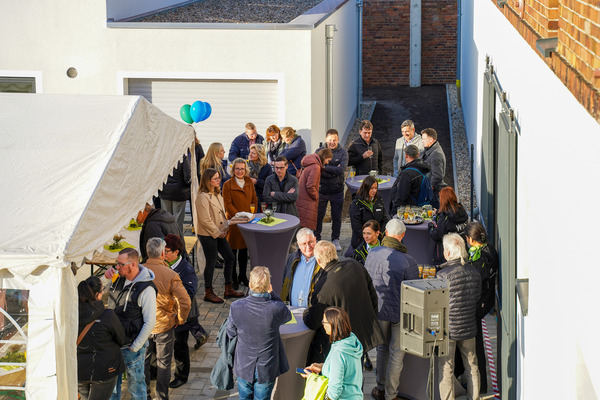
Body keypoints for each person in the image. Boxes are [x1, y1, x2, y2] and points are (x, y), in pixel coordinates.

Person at [363, 219, 419, 400]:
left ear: (385, 233)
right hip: (400, 313)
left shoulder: (372, 253)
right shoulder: (408, 260)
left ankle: (379, 387)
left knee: (382, 349)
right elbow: (415, 289)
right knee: (397, 353)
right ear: (402, 236)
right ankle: (391, 394)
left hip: (378, 310)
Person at [303, 241, 383, 364]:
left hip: (340, 344)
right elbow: (373, 297)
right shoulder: (355, 265)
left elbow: (313, 322)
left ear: (318, 261)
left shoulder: (322, 288)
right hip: (361, 337)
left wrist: (305, 314)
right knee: (356, 374)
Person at [226, 267, 292, 400]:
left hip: (244, 366)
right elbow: (288, 316)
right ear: (269, 286)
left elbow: (231, 332)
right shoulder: (276, 308)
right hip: (266, 368)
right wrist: (272, 293)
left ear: (250, 285)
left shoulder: (236, 306)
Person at [143, 238, 191, 400]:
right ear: (163, 253)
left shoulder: (139, 271)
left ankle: (145, 395)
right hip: (164, 325)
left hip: (143, 325)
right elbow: (185, 301)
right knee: (164, 364)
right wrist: (180, 318)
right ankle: (162, 396)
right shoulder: (171, 274)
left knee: (144, 362)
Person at [106, 248, 157, 400]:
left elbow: (150, 321)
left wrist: (135, 346)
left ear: (133, 264)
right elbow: (102, 296)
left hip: (131, 346)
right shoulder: (118, 278)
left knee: (136, 387)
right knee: (112, 388)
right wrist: (106, 277)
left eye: (120, 264)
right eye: (116, 263)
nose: (117, 267)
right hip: (113, 344)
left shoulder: (146, 289)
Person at [436, 233, 482, 400]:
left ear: (448, 253)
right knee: (472, 365)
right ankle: (474, 397)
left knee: (446, 368)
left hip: (449, 330)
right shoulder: (474, 271)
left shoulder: (443, 275)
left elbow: (438, 305)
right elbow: (477, 298)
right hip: (469, 327)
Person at [455, 222, 498, 394]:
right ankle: (466, 376)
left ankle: (479, 385)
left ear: (471, 240)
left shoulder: (480, 261)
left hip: (478, 304)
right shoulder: (489, 250)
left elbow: (474, 281)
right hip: (484, 301)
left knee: (476, 345)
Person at [162, 234, 207, 389]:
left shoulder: (186, 270)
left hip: (180, 316)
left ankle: (181, 376)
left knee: (179, 346)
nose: (164, 253)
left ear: (176, 252)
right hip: (164, 315)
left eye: (167, 251)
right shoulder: (163, 264)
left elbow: (189, 293)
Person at [195, 168, 244, 303]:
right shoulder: (202, 197)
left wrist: (227, 226)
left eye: (219, 178)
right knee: (211, 262)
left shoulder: (217, 194)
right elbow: (205, 220)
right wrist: (218, 233)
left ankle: (228, 289)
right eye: (215, 178)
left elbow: (221, 216)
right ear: (207, 180)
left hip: (220, 232)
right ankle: (208, 292)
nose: (218, 180)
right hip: (208, 234)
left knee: (230, 257)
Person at [77, 276, 126, 400]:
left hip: (79, 370)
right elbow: (121, 339)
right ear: (98, 295)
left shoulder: (70, 315)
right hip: (104, 370)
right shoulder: (107, 315)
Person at [302, 307, 363, 400]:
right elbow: (345, 369)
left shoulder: (338, 353)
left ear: (332, 325)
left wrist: (312, 378)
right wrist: (323, 366)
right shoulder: (350, 342)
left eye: (324, 322)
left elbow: (334, 392)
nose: (322, 324)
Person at [223, 158, 258, 289]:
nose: (240, 171)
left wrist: (251, 214)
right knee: (232, 253)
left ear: (246, 170)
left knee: (244, 252)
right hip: (234, 222)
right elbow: (227, 204)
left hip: (248, 222)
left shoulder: (249, 182)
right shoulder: (227, 184)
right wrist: (239, 216)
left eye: (242, 169)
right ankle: (233, 278)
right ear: (233, 170)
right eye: (237, 168)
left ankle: (242, 276)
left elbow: (254, 199)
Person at [158, 143, 205, 234]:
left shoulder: (162, 156)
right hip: (179, 193)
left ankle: (167, 241)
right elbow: (188, 177)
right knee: (177, 221)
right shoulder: (183, 156)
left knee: (166, 219)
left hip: (164, 191)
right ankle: (176, 242)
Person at [315, 129, 348, 251]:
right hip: (322, 190)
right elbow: (318, 169)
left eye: (334, 140)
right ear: (326, 139)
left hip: (337, 190)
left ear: (338, 139)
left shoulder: (343, 153)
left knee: (336, 216)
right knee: (319, 215)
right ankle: (317, 237)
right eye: (330, 140)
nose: (332, 142)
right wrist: (333, 170)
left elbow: (341, 170)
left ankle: (335, 239)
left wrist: (325, 168)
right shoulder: (319, 152)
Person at [280, 228, 323, 307]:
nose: (308, 247)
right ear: (298, 245)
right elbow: (284, 283)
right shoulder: (291, 259)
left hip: (313, 314)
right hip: (293, 312)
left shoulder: (323, 261)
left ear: (315, 240)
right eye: (304, 244)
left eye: (310, 242)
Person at [348, 175, 389, 253]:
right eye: (371, 188)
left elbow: (385, 219)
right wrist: (369, 237)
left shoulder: (378, 199)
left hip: (378, 240)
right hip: (362, 242)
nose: (374, 190)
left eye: (376, 188)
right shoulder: (356, 203)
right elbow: (356, 226)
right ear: (366, 188)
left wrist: (380, 235)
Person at [428, 187, 468, 264]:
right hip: (463, 249)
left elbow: (436, 235)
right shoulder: (462, 210)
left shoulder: (445, 217)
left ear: (443, 200)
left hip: (448, 254)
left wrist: (431, 226)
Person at [297, 148, 333, 231]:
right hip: (308, 201)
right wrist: (316, 196)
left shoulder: (311, 164)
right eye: (328, 160)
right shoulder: (316, 167)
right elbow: (310, 186)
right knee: (307, 229)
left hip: (303, 199)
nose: (327, 163)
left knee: (303, 227)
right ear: (324, 157)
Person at [390, 144, 431, 214]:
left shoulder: (407, 173)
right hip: (421, 208)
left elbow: (402, 195)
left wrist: (394, 211)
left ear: (406, 155)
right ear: (418, 154)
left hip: (408, 211)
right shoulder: (424, 169)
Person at [421, 128, 447, 208]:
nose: (422, 141)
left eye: (424, 139)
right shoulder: (430, 150)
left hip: (435, 194)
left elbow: (437, 176)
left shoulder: (436, 154)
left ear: (431, 139)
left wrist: (429, 188)